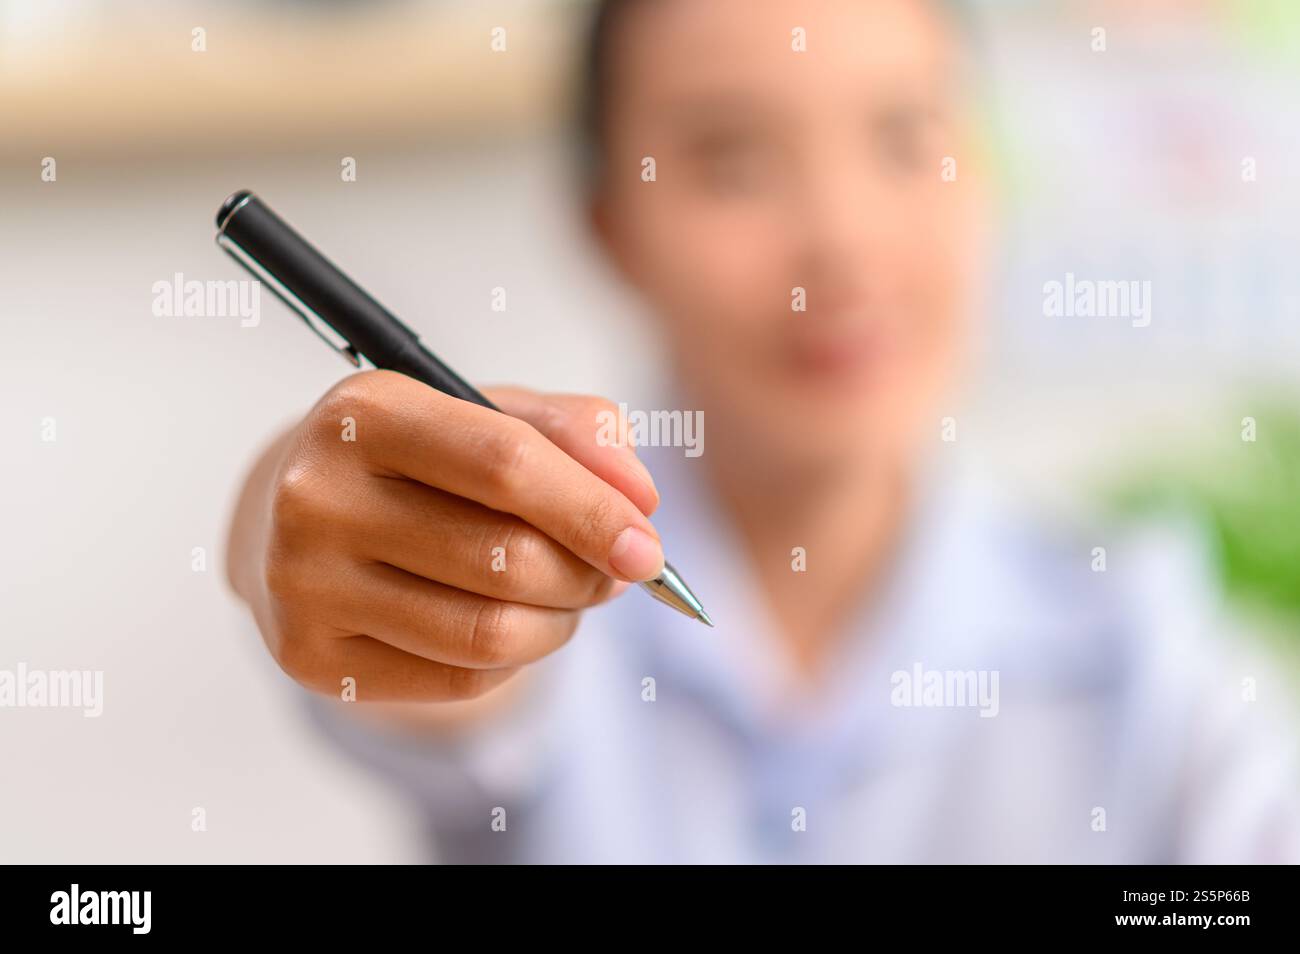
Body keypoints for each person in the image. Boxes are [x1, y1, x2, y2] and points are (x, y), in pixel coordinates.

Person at [225, 0, 1299, 863]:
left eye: (903, 141)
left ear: (981, 178)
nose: (840, 241)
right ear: (608, 227)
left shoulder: (1142, 643)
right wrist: (298, 515)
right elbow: (391, 642)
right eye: (733, 161)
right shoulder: (524, 590)